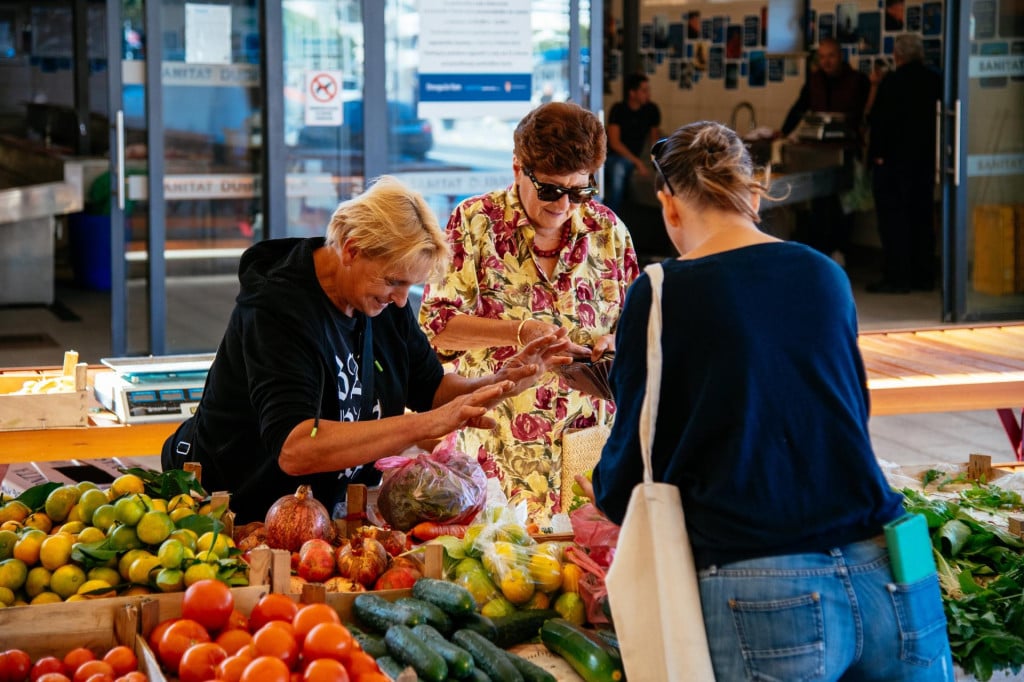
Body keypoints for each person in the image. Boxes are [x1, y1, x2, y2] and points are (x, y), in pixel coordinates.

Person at [581, 121, 954, 680]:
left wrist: (602, 490)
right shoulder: (824, 273)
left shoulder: (661, 291)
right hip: (891, 563)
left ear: (669, 205)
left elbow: (641, 458)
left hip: (761, 576)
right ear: (754, 193)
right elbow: (836, 413)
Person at [161, 176, 572, 524]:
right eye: (393, 282)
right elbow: (296, 447)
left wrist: (501, 382)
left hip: (318, 511)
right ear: (352, 248)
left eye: (408, 287)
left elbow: (430, 390)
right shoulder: (277, 309)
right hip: (229, 508)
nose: (398, 301)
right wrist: (425, 425)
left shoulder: (381, 302)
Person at [418, 101, 640, 525]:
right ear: (518, 168)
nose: (565, 205)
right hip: (495, 445)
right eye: (552, 190)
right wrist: (519, 331)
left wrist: (614, 341)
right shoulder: (474, 223)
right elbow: (436, 328)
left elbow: (632, 324)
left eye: (580, 191)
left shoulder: (609, 230)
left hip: (586, 445)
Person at [780, 37, 871, 265]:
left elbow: (865, 113)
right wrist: (783, 133)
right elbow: (799, 108)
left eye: (831, 56)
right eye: (822, 57)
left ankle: (841, 250)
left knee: (845, 204)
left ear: (840, 56)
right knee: (821, 204)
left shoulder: (857, 80)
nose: (827, 61)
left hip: (847, 149)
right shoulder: (814, 81)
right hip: (820, 153)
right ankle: (822, 253)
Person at [866, 34, 942, 294]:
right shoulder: (936, 79)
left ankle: (897, 278)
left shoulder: (892, 82)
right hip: (924, 162)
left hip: (893, 164)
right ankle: (924, 276)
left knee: (893, 222)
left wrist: (877, 155)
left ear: (897, 56)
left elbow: (878, 120)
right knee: (922, 218)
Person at [603, 73, 662, 213]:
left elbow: (655, 141)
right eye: (644, 90)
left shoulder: (652, 110)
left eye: (649, 90)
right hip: (615, 155)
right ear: (632, 93)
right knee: (617, 168)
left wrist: (654, 161)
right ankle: (611, 218)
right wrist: (637, 162)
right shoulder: (618, 109)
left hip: (635, 157)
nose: (648, 94)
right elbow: (614, 143)